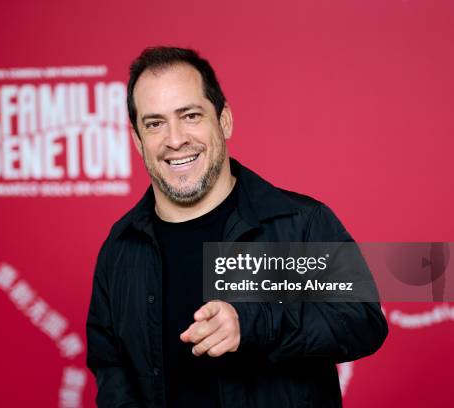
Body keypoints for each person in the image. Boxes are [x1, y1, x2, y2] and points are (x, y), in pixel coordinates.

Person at [86, 46, 388, 408]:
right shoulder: (121, 248)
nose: (175, 138)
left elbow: (362, 322)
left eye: (191, 115)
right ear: (137, 140)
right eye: (154, 124)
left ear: (224, 120)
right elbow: (112, 369)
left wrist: (252, 322)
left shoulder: (296, 223)